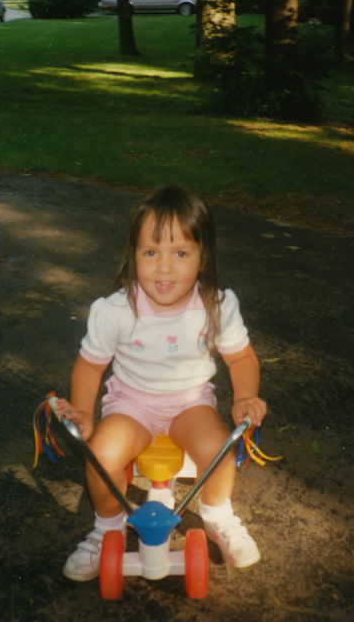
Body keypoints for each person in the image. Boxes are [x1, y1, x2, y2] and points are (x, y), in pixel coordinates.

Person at [55, 185, 267, 581]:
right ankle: (107, 527)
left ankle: (219, 515)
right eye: (150, 252)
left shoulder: (217, 306)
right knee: (101, 453)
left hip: (190, 403)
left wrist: (247, 396)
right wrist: (83, 411)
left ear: (203, 259)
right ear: (133, 257)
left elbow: (240, 357)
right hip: (130, 404)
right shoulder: (114, 310)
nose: (164, 268)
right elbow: (89, 365)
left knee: (218, 447)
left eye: (181, 253)